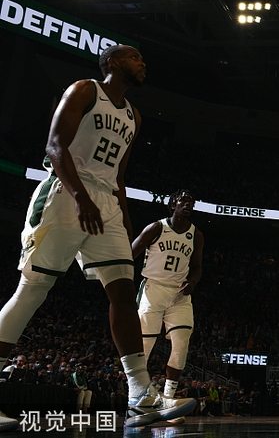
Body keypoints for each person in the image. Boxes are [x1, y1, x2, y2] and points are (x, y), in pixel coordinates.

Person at [0, 44, 194, 428]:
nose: (143, 62)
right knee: (33, 289)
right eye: (135, 56)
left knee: (123, 292)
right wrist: (81, 197)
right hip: (65, 194)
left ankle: (140, 395)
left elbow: (119, 176)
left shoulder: (134, 116)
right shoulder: (85, 89)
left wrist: (121, 217)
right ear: (113, 62)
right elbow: (55, 146)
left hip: (105, 203)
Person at [131, 189, 204, 421]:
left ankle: (168, 399)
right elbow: (130, 253)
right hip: (154, 288)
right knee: (145, 345)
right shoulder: (156, 228)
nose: (189, 204)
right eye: (184, 200)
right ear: (173, 205)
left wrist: (192, 282)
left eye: (191, 201)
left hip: (180, 294)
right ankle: (138, 399)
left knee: (182, 343)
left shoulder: (196, 235)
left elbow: (197, 266)